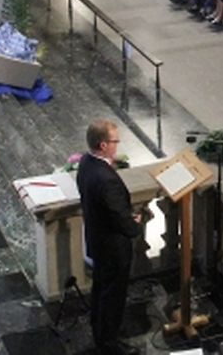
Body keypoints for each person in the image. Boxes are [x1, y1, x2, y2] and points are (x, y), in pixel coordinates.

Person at [77, 119, 144, 355]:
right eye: (115, 141)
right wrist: (133, 225)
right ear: (103, 145)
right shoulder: (106, 179)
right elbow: (117, 213)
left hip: (97, 239)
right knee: (113, 296)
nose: (117, 145)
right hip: (113, 247)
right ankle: (109, 342)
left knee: (101, 289)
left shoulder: (86, 163)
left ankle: (99, 331)